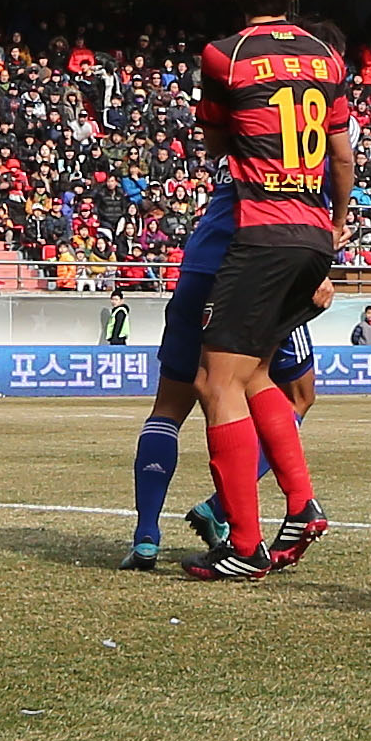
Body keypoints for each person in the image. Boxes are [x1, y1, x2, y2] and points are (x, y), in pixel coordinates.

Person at [178, 0, 350, 580]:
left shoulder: (223, 55)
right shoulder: (327, 58)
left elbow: (218, 137)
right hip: (312, 233)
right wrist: (334, 227)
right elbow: (341, 155)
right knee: (254, 378)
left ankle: (244, 546)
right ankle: (301, 507)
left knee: (213, 382)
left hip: (261, 230)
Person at [122, 166, 321, 571]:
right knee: (272, 387)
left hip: (205, 261)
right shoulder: (303, 121)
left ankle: (147, 534)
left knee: (171, 406)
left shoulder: (240, 117)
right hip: (265, 261)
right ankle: (250, 523)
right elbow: (331, 172)